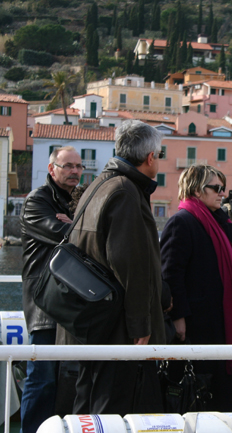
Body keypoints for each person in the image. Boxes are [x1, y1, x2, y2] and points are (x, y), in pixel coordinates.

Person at [59, 120, 165, 415]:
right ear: (149, 157)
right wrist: (140, 324)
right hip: (115, 325)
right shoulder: (125, 191)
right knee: (111, 405)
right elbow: (130, 263)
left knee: (88, 402)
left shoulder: (101, 184)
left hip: (93, 318)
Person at [160, 164, 232, 412]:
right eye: (216, 188)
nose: (222, 193)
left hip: (222, 325)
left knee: (227, 399)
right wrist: (178, 317)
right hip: (198, 326)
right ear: (197, 190)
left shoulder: (223, 224)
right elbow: (170, 273)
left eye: (223, 188)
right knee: (206, 397)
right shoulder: (182, 222)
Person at [20, 146, 81, 433]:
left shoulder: (77, 202)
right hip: (44, 304)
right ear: (51, 168)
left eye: (79, 167)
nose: (75, 171)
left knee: (68, 378)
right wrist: (79, 227)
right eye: (68, 166)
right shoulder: (37, 200)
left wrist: (76, 224)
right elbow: (60, 235)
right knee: (42, 378)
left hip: (71, 303)